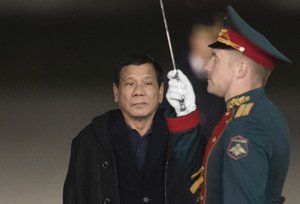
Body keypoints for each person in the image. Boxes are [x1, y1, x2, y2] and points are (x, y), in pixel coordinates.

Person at [166, 5, 291, 204]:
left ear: (240, 69)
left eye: (216, 58)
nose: (207, 66)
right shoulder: (250, 113)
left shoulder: (246, 127)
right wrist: (186, 114)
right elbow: (205, 176)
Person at [63, 53, 204, 204]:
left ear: (161, 91)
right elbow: (74, 197)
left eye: (148, 83)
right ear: (116, 92)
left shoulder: (182, 138)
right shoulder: (89, 141)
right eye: (130, 84)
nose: (139, 92)